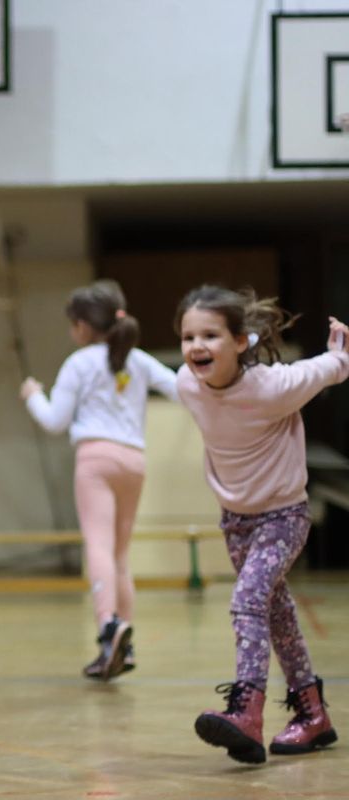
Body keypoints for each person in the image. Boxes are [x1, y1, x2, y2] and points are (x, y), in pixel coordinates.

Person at [176, 286, 345, 764]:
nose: (196, 346)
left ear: (242, 341)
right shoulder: (186, 386)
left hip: (284, 516)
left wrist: (338, 353)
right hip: (237, 522)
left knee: (247, 600)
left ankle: (246, 708)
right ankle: (313, 716)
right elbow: (157, 372)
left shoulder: (272, 386)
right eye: (188, 336)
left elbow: (327, 369)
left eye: (210, 334)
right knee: (279, 617)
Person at [20, 280, 177, 681]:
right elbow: (180, 388)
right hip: (134, 462)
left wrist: (33, 395)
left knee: (99, 548)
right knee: (121, 555)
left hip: (96, 460)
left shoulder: (79, 362)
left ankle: (109, 626)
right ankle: (123, 640)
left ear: (83, 325)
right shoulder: (138, 360)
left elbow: (54, 420)